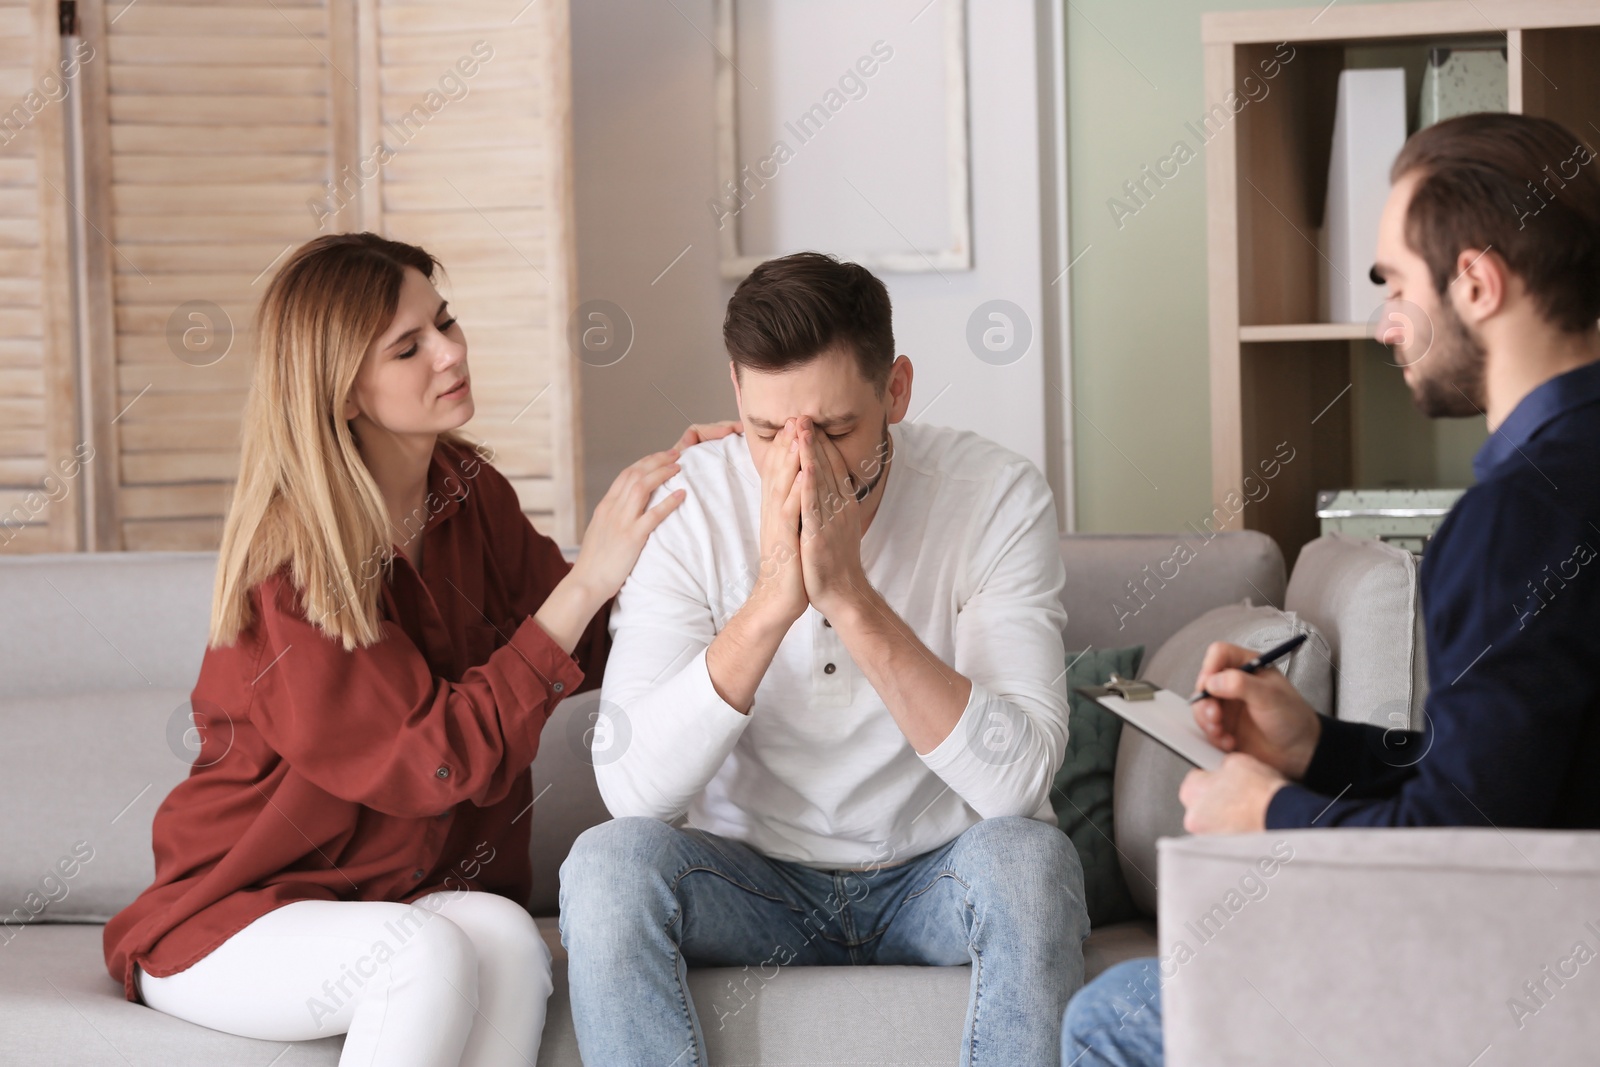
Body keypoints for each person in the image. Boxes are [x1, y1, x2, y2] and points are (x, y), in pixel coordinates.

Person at [102, 232, 740, 1067]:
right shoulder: (295, 569)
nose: (450, 352)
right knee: (421, 951)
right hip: (234, 916)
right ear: (345, 392)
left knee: (507, 938)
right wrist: (590, 577)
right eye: (409, 347)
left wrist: (686, 509)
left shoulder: (468, 494)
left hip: (388, 899)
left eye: (445, 322)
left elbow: (579, 635)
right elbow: (434, 760)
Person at [1061, 112, 1600, 1065]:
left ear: (1475, 283)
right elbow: (1506, 783)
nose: (1384, 322)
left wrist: (1266, 814)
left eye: (1393, 282)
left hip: (1528, 989)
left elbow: (1453, 858)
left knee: (1111, 1016)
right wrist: (1317, 746)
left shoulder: (1512, 520)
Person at [558, 251, 1089, 1067]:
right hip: (753, 885)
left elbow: (1016, 783)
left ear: (896, 391)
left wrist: (852, 599)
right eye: (768, 431)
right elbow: (633, 790)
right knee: (606, 865)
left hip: (934, 876)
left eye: (837, 429)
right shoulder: (688, 507)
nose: (801, 465)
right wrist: (774, 600)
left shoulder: (996, 494)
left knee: (1031, 859)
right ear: (736, 391)